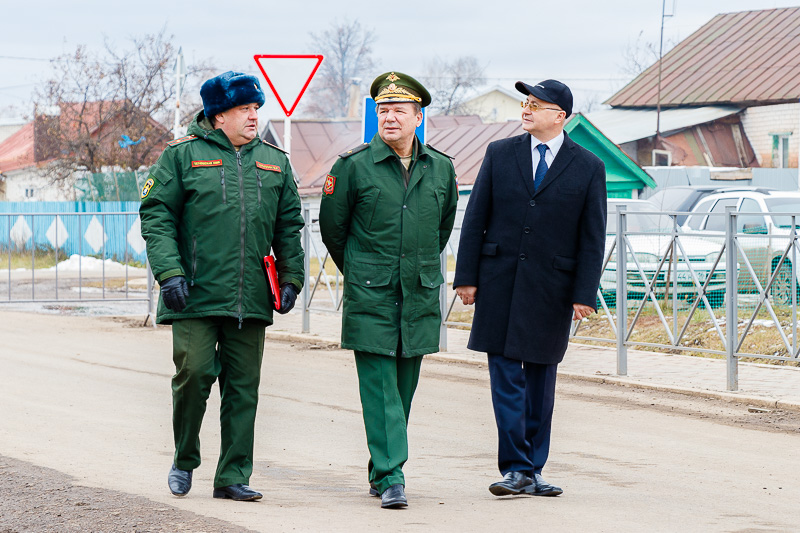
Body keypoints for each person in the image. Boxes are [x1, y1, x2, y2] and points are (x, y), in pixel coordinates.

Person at [139, 71, 304, 502]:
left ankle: (232, 475)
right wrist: (169, 273)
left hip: (250, 295)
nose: (253, 117)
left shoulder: (275, 161)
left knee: (243, 386)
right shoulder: (181, 157)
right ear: (217, 117)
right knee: (193, 374)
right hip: (192, 292)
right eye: (243, 110)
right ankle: (184, 457)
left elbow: (289, 226)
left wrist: (291, 278)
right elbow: (156, 216)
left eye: (255, 109)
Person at [453, 79, 606, 497]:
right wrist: (466, 276)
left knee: (540, 381)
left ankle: (533, 470)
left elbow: (592, 235)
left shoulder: (588, 166)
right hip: (499, 282)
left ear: (560, 116)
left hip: (551, 289)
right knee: (505, 376)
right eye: (525, 102)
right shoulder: (499, 154)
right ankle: (517, 467)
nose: (526, 109)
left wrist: (583, 293)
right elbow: (476, 216)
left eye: (536, 105)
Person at [319, 71, 458, 509]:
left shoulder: (441, 167)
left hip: (417, 294)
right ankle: (394, 474)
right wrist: (364, 269)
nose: (389, 117)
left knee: (403, 388)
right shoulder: (352, 166)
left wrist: (411, 268)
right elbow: (333, 230)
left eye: (399, 110)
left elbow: (441, 228)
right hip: (372, 294)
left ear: (418, 117)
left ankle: (381, 470)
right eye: (383, 110)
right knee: (380, 387)